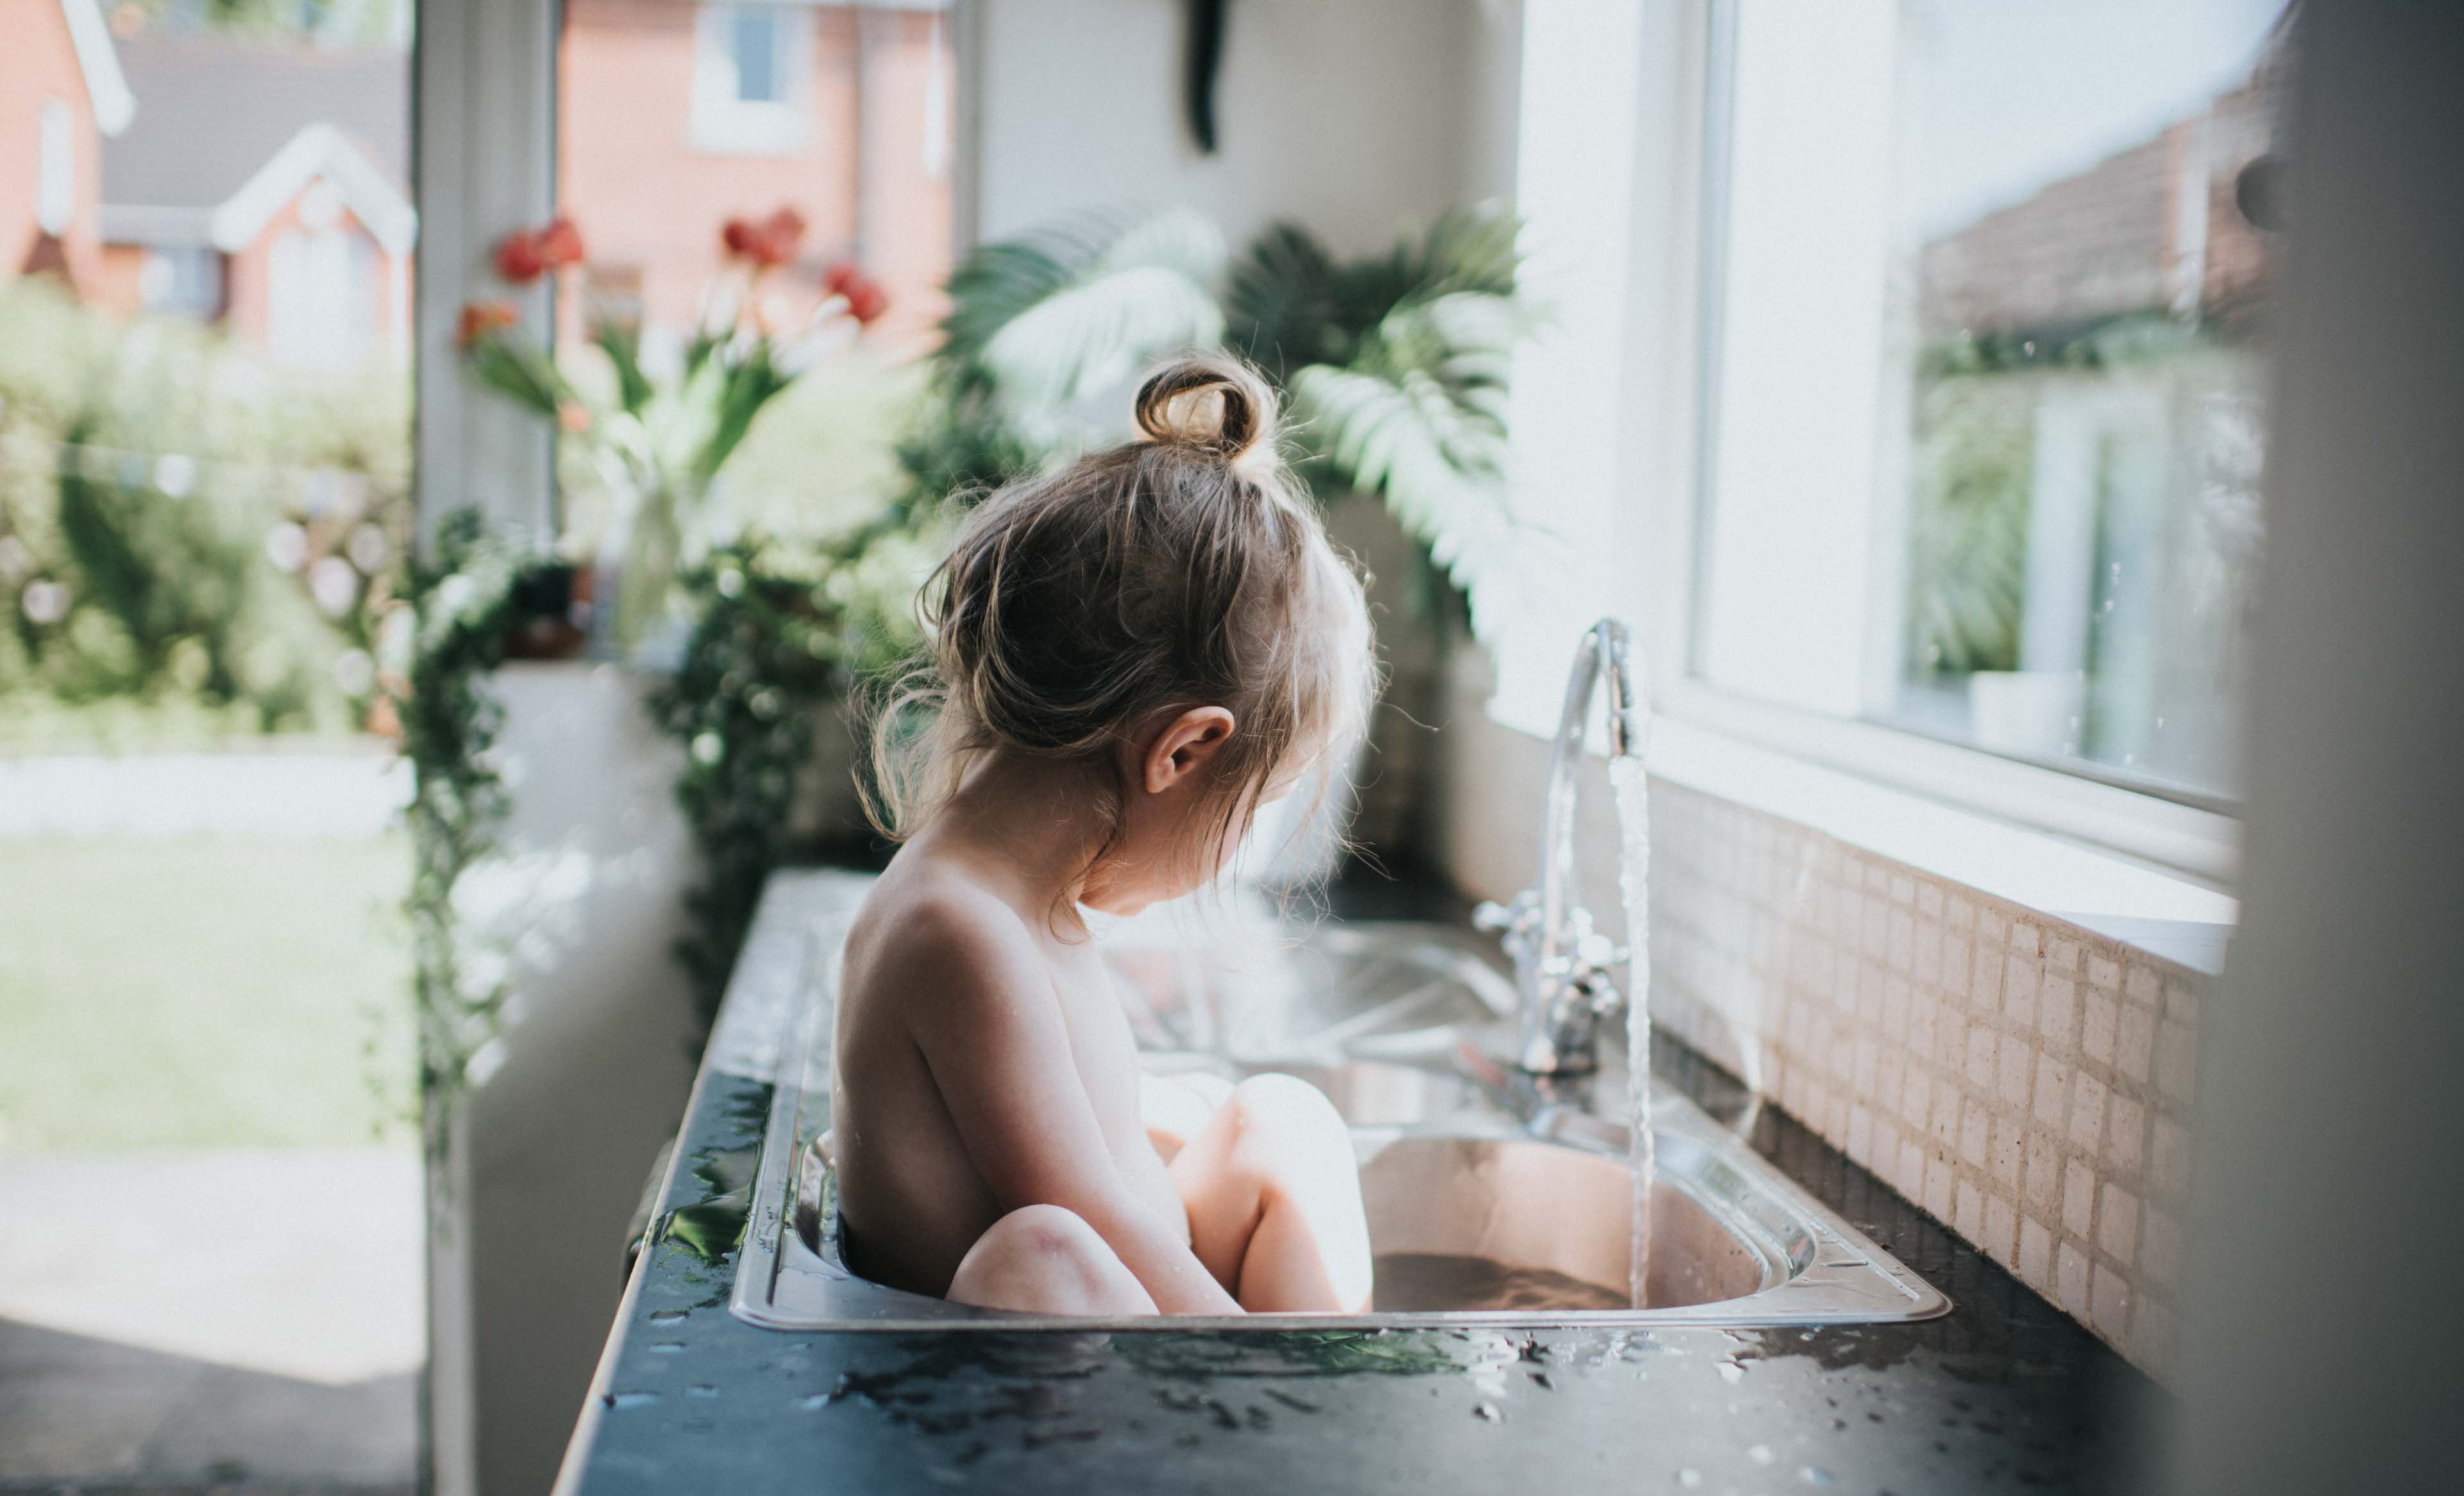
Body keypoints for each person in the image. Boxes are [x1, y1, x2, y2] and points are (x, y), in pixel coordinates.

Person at [831, 355, 1378, 1316]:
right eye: (1252, 806)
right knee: (1040, 1251)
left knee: (1278, 1119)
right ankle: (1299, 1431)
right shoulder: (957, 930)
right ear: (1180, 753)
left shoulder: (1021, 897)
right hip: (1007, 1398)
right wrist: (1276, 1385)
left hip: (1135, 1364)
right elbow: (1090, 1218)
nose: (1240, 841)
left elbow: (1095, 1154)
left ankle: (1305, 1405)